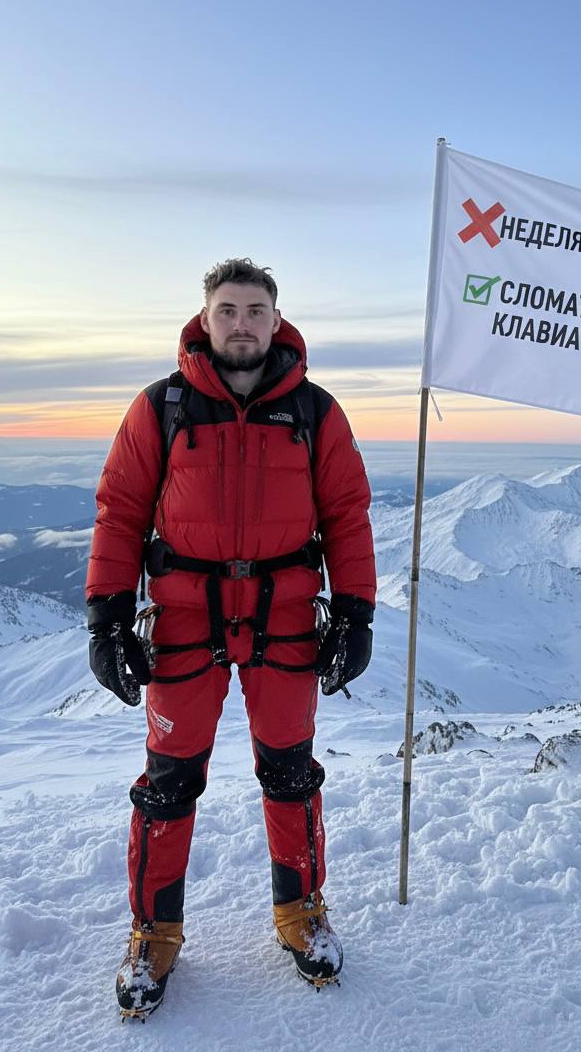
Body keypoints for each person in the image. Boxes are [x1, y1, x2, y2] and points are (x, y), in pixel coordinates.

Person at [85, 258, 376, 1019]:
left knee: (291, 772)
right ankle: (154, 933)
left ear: (276, 321)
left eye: (255, 311)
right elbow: (120, 511)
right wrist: (107, 618)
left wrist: (356, 614)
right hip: (185, 619)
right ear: (204, 318)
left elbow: (347, 515)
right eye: (228, 310)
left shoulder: (315, 411)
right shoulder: (162, 407)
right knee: (168, 782)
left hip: (286, 617)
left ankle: (300, 911)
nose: (241, 324)